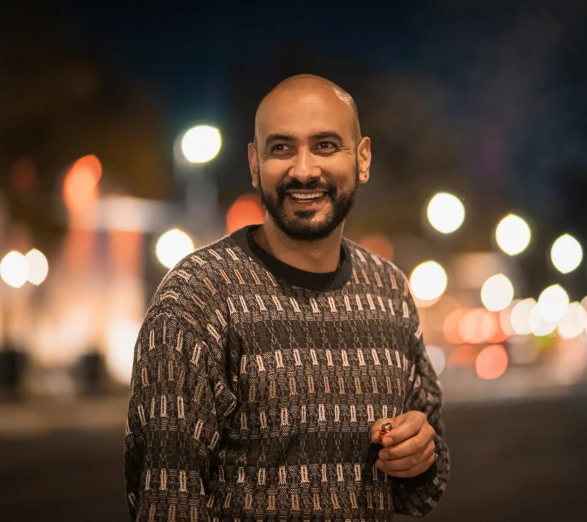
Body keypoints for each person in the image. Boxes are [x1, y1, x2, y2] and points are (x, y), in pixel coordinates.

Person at [124, 74, 450, 521]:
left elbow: (423, 483)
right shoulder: (197, 297)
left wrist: (417, 457)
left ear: (363, 158)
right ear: (255, 164)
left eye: (325, 145)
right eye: (281, 148)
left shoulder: (389, 291)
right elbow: (166, 499)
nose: (303, 169)